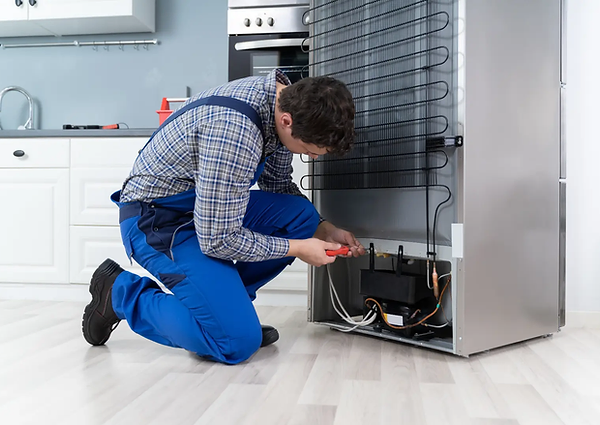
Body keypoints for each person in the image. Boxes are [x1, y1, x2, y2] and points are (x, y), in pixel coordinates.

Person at [81, 68, 365, 365]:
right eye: (310, 151)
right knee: (236, 343)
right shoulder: (235, 133)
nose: (313, 158)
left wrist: (322, 229)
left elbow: (278, 187)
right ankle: (120, 294)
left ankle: (224, 312)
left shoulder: (283, 102)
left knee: (300, 219)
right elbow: (218, 240)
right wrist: (299, 248)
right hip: (158, 220)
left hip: (203, 212)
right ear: (287, 122)